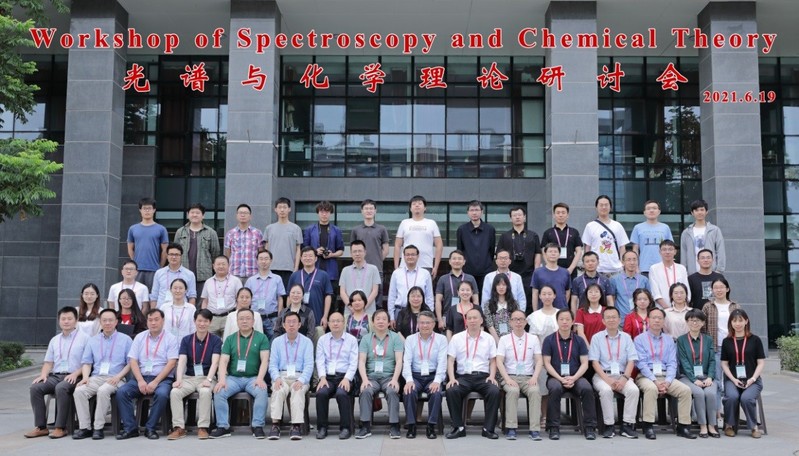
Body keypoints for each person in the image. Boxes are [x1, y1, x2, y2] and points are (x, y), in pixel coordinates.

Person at [26, 307, 90, 439]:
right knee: (35, 388)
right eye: (63, 319)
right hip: (56, 375)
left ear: (76, 320)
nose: (66, 321)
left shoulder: (85, 338)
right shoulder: (55, 340)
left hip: (76, 376)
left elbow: (88, 362)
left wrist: (76, 374)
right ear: (59, 321)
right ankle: (41, 427)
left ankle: (60, 427)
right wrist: (43, 375)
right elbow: (48, 362)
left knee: (61, 388)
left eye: (69, 319)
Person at [633, 308, 696, 440]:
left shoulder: (669, 340)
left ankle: (683, 426)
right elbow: (641, 364)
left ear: (663, 321)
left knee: (685, 390)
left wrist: (667, 381)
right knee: (651, 389)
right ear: (648, 320)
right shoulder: (639, 339)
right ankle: (648, 426)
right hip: (646, 376)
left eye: (660, 318)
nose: (657, 320)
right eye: (654, 318)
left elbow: (672, 363)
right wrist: (655, 381)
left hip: (666, 376)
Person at [116, 309, 179, 440]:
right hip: (141, 377)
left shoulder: (171, 338)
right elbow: (133, 360)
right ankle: (130, 428)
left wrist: (155, 382)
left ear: (163, 321)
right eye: (150, 320)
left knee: (162, 394)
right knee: (122, 392)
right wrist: (140, 381)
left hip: (162, 379)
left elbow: (171, 363)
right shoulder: (140, 337)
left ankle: (150, 428)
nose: (153, 323)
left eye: (156, 319)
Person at [72, 309, 133, 440]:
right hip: (96, 377)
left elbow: (130, 363)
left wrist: (118, 377)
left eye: (110, 320)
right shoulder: (93, 340)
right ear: (100, 322)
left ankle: (98, 428)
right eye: (104, 320)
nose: (107, 323)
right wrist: (85, 378)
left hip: (117, 378)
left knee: (103, 390)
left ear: (116, 322)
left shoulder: (126, 340)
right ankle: (85, 428)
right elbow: (87, 362)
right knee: (79, 391)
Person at [211, 308, 271, 439]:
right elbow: (223, 361)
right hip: (233, 378)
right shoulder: (230, 339)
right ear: (237, 321)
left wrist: (260, 378)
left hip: (253, 378)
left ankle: (257, 426)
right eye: (241, 319)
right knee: (219, 391)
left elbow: (265, 360)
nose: (244, 321)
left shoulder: (262, 338)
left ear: (253, 321)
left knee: (262, 391)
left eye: (248, 318)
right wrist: (222, 379)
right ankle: (223, 426)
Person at [445, 308, 501, 439]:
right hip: (463, 377)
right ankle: (458, 427)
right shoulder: (457, 338)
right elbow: (451, 360)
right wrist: (452, 378)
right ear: (466, 321)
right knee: (452, 390)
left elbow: (493, 361)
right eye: (469, 318)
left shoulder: (488, 338)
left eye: (475, 318)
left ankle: (488, 429)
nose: (472, 320)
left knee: (494, 391)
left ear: (481, 320)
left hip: (483, 377)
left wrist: (492, 376)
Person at [167, 309, 222, 440]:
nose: (202, 324)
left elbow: (215, 362)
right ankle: (179, 427)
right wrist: (179, 379)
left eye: (205, 321)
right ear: (194, 321)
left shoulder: (216, 340)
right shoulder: (186, 340)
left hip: (207, 377)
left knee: (205, 391)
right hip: (189, 378)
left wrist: (209, 379)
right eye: (199, 321)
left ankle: (203, 427)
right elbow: (182, 361)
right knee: (175, 392)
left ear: (210, 322)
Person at [542, 309, 597, 440]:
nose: (565, 322)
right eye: (561, 319)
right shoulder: (549, 340)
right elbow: (547, 363)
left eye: (568, 319)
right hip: (555, 377)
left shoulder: (579, 340)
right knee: (555, 388)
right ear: (557, 321)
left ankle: (589, 427)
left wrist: (574, 378)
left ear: (573, 322)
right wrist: (561, 379)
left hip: (576, 377)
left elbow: (584, 363)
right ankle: (553, 427)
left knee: (587, 388)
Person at [588, 307, 639, 439]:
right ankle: (609, 425)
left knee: (633, 390)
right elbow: (594, 363)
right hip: (602, 376)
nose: (611, 320)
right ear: (603, 321)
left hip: (622, 375)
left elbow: (631, 360)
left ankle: (627, 425)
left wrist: (624, 378)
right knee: (606, 390)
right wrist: (608, 380)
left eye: (614, 317)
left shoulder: (626, 337)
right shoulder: (597, 338)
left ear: (619, 319)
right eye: (608, 317)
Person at [356, 309, 404, 439]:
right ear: (373, 322)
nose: (381, 321)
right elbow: (361, 361)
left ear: (389, 323)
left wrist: (395, 379)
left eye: (384, 319)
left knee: (392, 391)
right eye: (378, 319)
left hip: (389, 377)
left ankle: (394, 425)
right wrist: (364, 380)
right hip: (371, 377)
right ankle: (365, 426)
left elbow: (399, 360)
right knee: (365, 391)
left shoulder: (395, 338)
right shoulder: (366, 338)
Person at [497, 309, 544, 441]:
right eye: (515, 319)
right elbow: (499, 361)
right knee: (512, 391)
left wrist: (535, 377)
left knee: (535, 391)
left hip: (528, 377)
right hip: (510, 377)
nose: (518, 322)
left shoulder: (533, 339)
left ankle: (534, 429)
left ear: (525, 322)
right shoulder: (504, 339)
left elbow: (539, 360)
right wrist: (507, 379)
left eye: (521, 319)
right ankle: (511, 428)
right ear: (510, 322)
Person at [267, 311, 314, 441]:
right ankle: (275, 425)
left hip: (299, 376)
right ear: (283, 325)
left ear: (299, 324)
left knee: (297, 391)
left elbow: (309, 365)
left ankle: (296, 426)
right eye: (288, 322)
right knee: (277, 390)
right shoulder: (277, 342)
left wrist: (302, 380)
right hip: (281, 375)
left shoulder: (307, 342)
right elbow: (272, 364)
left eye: (294, 322)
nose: (291, 325)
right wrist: (276, 378)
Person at [720, 309, 766, 439]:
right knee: (731, 397)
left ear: (746, 321)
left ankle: (754, 427)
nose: (737, 324)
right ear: (730, 323)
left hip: (752, 380)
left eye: (740, 320)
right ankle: (729, 426)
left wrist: (753, 378)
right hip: (732, 380)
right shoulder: (727, 341)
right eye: (734, 321)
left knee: (746, 398)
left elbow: (761, 362)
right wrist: (733, 379)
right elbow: (724, 364)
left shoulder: (755, 340)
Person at [402, 310, 447, 439]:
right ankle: (411, 425)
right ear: (417, 324)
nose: (425, 325)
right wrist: (409, 380)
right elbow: (407, 362)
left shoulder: (441, 339)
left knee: (436, 392)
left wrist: (437, 381)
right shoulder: (410, 339)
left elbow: (442, 362)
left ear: (433, 324)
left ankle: (431, 426)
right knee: (409, 391)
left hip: (433, 376)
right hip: (415, 376)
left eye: (428, 322)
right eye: (422, 322)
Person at [315, 311, 359, 440]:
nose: (335, 323)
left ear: (344, 323)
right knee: (321, 393)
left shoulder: (351, 340)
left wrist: (347, 379)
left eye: (338, 321)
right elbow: (320, 360)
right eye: (333, 321)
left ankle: (346, 428)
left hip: (344, 376)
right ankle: (322, 427)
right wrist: (322, 377)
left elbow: (353, 362)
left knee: (342, 393)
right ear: (328, 324)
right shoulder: (323, 340)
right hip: (327, 377)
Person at [701, 277, 740, 420]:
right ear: (712, 290)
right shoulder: (707, 306)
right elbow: (703, 329)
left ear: (727, 289)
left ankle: (731, 412)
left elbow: (741, 325)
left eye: (721, 287)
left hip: (732, 347)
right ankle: (716, 412)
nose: (719, 290)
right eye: (715, 287)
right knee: (716, 380)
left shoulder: (735, 306)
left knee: (732, 379)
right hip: (715, 347)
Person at [676, 309, 719, 438]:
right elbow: (684, 362)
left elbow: (712, 360)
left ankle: (712, 425)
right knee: (699, 393)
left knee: (710, 393)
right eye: (691, 320)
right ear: (687, 322)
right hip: (687, 377)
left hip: (706, 376)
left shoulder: (708, 339)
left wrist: (710, 377)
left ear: (703, 323)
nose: (694, 323)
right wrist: (694, 379)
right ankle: (703, 425)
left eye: (698, 320)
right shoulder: (681, 340)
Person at [526, 285, 560, 425]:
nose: (547, 296)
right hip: (540, 357)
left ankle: (555, 417)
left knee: (556, 386)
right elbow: (533, 340)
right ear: (539, 296)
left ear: (554, 296)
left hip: (559, 356)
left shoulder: (560, 314)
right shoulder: (534, 316)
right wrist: (539, 358)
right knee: (542, 387)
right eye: (544, 294)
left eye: (549, 294)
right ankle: (544, 415)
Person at [496, 205, 541, 308]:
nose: (517, 217)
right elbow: (499, 254)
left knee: (528, 301)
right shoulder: (505, 236)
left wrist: (536, 272)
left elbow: (537, 254)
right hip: (510, 274)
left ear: (524, 217)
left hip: (529, 274)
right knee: (509, 299)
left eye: (520, 215)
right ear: (510, 218)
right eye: (514, 215)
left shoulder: (533, 235)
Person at [174, 202, 221, 297]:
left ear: (203, 215)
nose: (195, 215)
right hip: (184, 273)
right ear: (188, 215)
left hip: (203, 275)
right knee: (183, 299)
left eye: (198, 213)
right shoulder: (180, 232)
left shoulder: (211, 232)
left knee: (202, 300)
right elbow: (175, 252)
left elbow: (215, 253)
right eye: (192, 212)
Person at [350, 199, 390, 308]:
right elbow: (352, 249)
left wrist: (377, 259)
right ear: (362, 211)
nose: (369, 211)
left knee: (377, 299)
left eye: (371, 208)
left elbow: (386, 249)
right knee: (359, 296)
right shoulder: (356, 230)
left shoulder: (382, 229)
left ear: (375, 211)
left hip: (377, 269)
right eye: (366, 208)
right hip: (359, 269)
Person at [288, 247, 333, 338]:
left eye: (310, 256)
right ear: (301, 259)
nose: (307, 258)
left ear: (316, 258)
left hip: (317, 319)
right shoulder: (295, 275)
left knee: (317, 344)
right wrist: (288, 314)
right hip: (296, 322)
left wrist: (325, 316)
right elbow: (289, 296)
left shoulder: (323, 275)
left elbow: (328, 296)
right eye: (305, 256)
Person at [394, 195, 443, 278]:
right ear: (410, 208)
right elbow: (397, 245)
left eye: (420, 203)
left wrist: (436, 266)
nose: (417, 205)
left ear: (425, 208)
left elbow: (439, 245)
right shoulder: (404, 223)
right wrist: (396, 266)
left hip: (426, 264)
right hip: (405, 265)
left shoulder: (431, 223)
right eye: (414, 204)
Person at [582, 195, 629, 278]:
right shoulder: (590, 226)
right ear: (596, 207)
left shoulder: (617, 225)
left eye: (606, 205)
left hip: (616, 269)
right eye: (601, 205)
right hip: (597, 270)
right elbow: (587, 248)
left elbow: (622, 247)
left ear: (610, 207)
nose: (604, 207)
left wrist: (622, 264)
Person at [303, 201, 345, 294]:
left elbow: (341, 250)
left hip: (331, 269)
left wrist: (332, 254)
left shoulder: (336, 230)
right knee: (313, 295)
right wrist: (315, 252)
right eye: (322, 212)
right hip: (313, 267)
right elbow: (304, 249)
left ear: (331, 213)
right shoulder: (309, 230)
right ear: (318, 213)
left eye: (327, 212)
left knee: (330, 295)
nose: (324, 214)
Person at [127, 197, 169, 290]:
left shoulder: (161, 229)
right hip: (137, 270)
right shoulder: (133, 229)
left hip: (154, 269)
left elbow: (165, 250)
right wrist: (134, 263)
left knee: (153, 295)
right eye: (144, 208)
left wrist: (160, 267)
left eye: (149, 208)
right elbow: (130, 248)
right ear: (140, 210)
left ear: (154, 210)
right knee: (136, 294)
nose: (147, 211)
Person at [388, 245, 434, 327]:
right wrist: (391, 316)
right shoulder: (396, 273)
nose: (410, 257)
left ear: (418, 256)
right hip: (400, 311)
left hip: (421, 312)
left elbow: (429, 296)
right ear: (404, 256)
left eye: (413, 254)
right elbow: (392, 296)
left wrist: (430, 314)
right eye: (407, 254)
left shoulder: (425, 273)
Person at [244, 249, 286, 339]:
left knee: (273, 341)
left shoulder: (277, 279)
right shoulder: (250, 280)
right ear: (257, 261)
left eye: (266, 259)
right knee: (255, 342)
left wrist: (279, 317)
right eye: (261, 259)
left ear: (271, 260)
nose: (263, 261)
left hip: (272, 318)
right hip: (255, 318)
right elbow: (246, 299)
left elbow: (280, 298)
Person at [456, 200, 496, 295]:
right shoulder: (462, 229)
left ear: (482, 212)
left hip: (486, 270)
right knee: (467, 295)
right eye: (472, 210)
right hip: (467, 270)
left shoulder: (490, 229)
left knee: (485, 296)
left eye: (477, 210)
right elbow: (460, 250)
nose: (474, 213)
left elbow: (491, 250)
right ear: (468, 213)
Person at [263, 197, 303, 289]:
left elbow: (298, 249)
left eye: (284, 207)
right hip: (272, 268)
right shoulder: (269, 228)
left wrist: (296, 268)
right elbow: (266, 248)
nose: (282, 210)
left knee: (288, 293)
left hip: (289, 268)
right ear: (275, 209)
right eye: (279, 207)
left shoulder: (296, 228)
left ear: (289, 209)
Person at [434, 250, 479, 331]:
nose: (457, 261)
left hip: (468, 316)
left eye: (459, 259)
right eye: (454, 259)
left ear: (464, 262)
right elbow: (438, 300)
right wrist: (440, 320)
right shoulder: (443, 279)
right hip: (447, 316)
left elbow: (475, 300)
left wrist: (475, 316)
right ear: (449, 261)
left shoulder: (470, 278)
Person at [200, 255, 244, 337]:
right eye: (218, 264)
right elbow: (205, 301)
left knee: (228, 342)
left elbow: (240, 300)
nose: (221, 266)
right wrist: (204, 316)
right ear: (213, 266)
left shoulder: (236, 281)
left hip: (229, 317)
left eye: (223, 264)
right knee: (211, 342)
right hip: (212, 318)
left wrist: (236, 316)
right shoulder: (208, 282)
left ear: (229, 265)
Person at [681, 199, 726, 275]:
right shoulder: (686, 232)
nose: (699, 212)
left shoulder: (715, 230)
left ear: (706, 212)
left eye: (702, 210)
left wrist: (719, 270)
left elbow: (720, 250)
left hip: (711, 272)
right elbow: (684, 253)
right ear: (692, 213)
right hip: (692, 273)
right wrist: (684, 271)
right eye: (696, 210)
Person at [630, 200, 674, 276]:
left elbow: (670, 248)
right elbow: (635, 249)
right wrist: (636, 267)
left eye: (654, 208)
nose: (651, 210)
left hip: (662, 267)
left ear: (659, 211)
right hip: (644, 268)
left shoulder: (665, 227)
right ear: (644, 212)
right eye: (648, 208)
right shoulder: (637, 228)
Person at [339, 240, 381, 316]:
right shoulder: (345, 270)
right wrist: (351, 307)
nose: (357, 254)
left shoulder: (373, 269)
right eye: (354, 251)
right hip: (350, 312)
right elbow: (342, 292)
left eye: (360, 251)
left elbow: (375, 291)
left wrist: (363, 307)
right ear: (351, 253)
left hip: (368, 312)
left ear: (365, 252)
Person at [540, 203, 583, 277]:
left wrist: (571, 268)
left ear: (567, 215)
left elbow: (579, 251)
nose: (560, 215)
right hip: (552, 271)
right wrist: (550, 267)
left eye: (563, 213)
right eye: (558, 213)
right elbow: (544, 251)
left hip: (570, 270)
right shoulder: (548, 232)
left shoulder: (574, 232)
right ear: (554, 215)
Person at [151, 243, 198, 309]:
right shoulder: (159, 273)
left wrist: (189, 312)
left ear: (181, 256)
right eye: (171, 254)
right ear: (167, 256)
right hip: (161, 310)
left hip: (181, 310)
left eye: (177, 255)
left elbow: (192, 297)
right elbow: (154, 296)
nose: (174, 257)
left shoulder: (189, 274)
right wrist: (154, 312)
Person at [224, 203, 264, 281]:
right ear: (236, 216)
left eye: (245, 213)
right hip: (234, 274)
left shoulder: (257, 233)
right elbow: (228, 254)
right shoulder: (230, 234)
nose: (243, 215)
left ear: (250, 216)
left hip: (253, 273)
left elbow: (261, 252)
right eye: (240, 213)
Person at [648, 240, 690, 309]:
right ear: (660, 252)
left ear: (675, 251)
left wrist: (681, 307)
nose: (667, 252)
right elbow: (655, 292)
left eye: (670, 249)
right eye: (664, 249)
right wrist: (667, 308)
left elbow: (686, 290)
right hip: (662, 309)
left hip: (680, 308)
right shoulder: (654, 269)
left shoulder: (681, 268)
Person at [531, 243, 571, 311]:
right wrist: (535, 312)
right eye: (550, 251)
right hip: (543, 310)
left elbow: (567, 292)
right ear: (545, 254)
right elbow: (535, 293)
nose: (553, 254)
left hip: (561, 311)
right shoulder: (538, 272)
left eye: (555, 252)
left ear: (559, 254)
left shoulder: (565, 272)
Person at [610, 250, 649, 321]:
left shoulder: (644, 280)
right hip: (621, 320)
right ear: (623, 262)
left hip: (640, 321)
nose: (632, 263)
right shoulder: (614, 280)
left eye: (634, 260)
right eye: (628, 260)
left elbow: (649, 300)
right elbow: (611, 300)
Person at [483, 274, 519, 343]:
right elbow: (489, 325)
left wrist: (512, 340)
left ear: (507, 286)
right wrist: (498, 342)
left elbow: (516, 322)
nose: (501, 287)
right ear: (495, 287)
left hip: (512, 340)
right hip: (495, 340)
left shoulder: (514, 303)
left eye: (504, 285)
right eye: (498, 285)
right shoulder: (488, 304)